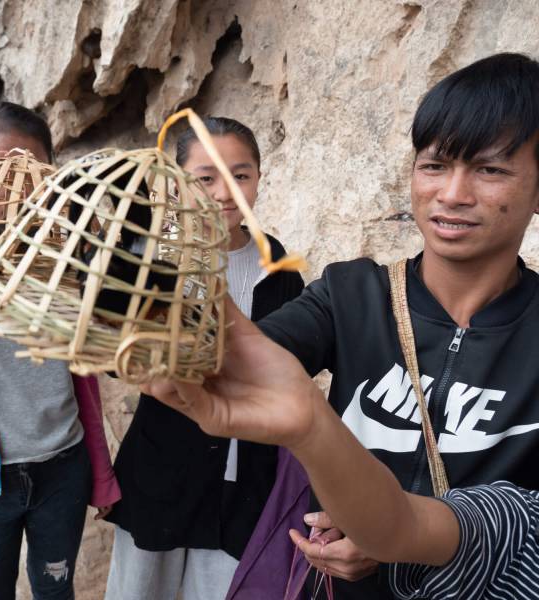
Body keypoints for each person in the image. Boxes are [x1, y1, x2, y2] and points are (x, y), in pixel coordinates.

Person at [211, 52, 539, 599]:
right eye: (433, 165)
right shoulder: (352, 293)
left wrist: (395, 533)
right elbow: (248, 354)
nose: (452, 194)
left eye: (490, 169)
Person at [144, 299, 539, 599]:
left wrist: (313, 426)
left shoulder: (513, 520)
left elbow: (430, 528)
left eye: (494, 182)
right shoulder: (352, 293)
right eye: (433, 181)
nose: (454, 192)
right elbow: (235, 366)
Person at [0, 99, 121, 600]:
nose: (9, 189)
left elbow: (95, 369)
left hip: (63, 467)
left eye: (25, 171)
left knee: (56, 589)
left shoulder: (71, 253)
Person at [104, 117, 306, 600]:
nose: (224, 193)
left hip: (244, 484)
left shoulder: (279, 271)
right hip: (162, 472)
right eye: (205, 178)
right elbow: (112, 352)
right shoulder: (149, 259)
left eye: (240, 175)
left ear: (259, 178)